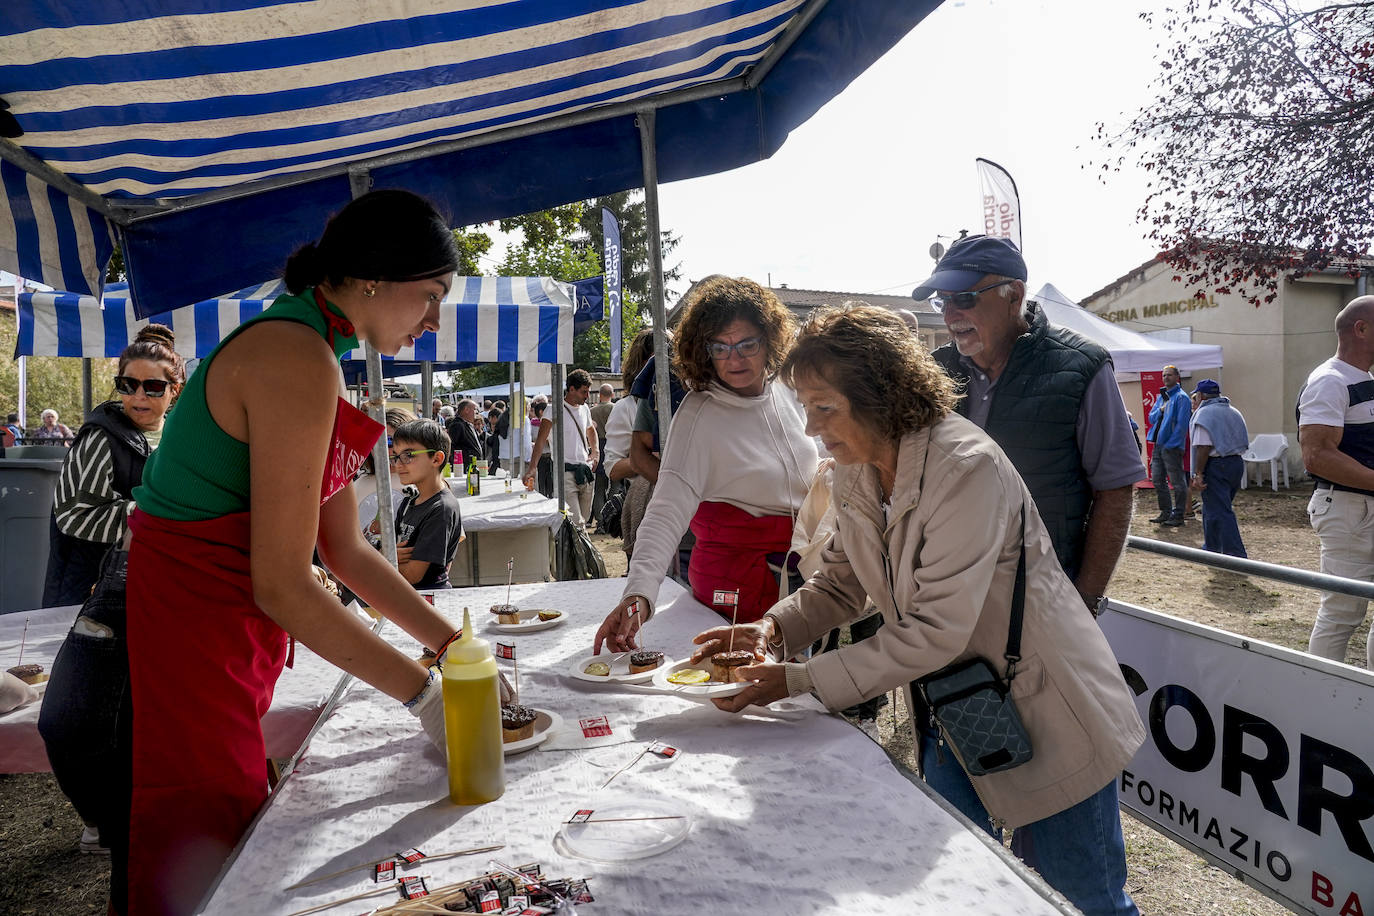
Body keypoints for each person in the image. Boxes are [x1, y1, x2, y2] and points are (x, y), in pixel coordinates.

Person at [42, 189, 508, 916]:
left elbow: (345, 549)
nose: (435, 319)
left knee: (218, 842)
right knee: (193, 852)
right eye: (432, 295)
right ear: (377, 277)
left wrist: (453, 647)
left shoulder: (310, 343)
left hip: (205, 631)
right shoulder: (296, 355)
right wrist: (423, 697)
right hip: (164, 635)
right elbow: (286, 585)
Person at [692, 305, 1144, 915]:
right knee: (968, 888)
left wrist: (799, 679)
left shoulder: (965, 466)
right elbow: (844, 582)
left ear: (879, 395)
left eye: (824, 407)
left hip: (1049, 706)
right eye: (805, 407)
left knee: (1083, 898)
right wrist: (775, 626)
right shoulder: (856, 469)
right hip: (956, 707)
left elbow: (934, 628)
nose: (810, 427)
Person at [915, 235, 1142, 613]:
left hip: (1041, 599)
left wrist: (1082, 602)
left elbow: (1116, 491)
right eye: (943, 301)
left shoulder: (1081, 366)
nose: (950, 315)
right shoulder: (933, 372)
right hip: (946, 593)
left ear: (1014, 295)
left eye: (964, 299)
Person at [594, 277, 818, 652]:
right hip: (737, 586)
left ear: (770, 340)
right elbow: (665, 510)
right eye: (721, 347)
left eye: (747, 343)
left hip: (798, 576)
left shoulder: (787, 391)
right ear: (704, 351)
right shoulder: (698, 413)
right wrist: (639, 595)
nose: (735, 357)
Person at [42, 325, 187, 608]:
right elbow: (75, 515)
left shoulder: (179, 438)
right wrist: (161, 515)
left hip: (150, 588)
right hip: (90, 596)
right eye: (128, 385)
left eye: (154, 387)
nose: (139, 396)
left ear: (175, 390)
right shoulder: (101, 437)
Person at [1298, 294, 1374, 668]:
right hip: (1348, 509)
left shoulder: (1364, 379)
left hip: (1360, 507)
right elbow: (1317, 455)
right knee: (1343, 612)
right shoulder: (1329, 380)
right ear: (1361, 329)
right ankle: (1320, 700)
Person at [389, 419, 462, 589]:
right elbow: (389, 547)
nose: (399, 464)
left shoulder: (442, 508)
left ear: (436, 459)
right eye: (396, 457)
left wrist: (384, 559)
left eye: (409, 455)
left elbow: (413, 574)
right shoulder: (409, 502)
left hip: (428, 601)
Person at [526, 369, 599, 528]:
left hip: (585, 471)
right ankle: (581, 553)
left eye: (588, 392)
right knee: (575, 522)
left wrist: (595, 452)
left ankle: (573, 551)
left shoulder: (585, 409)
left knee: (584, 520)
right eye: (583, 392)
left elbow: (591, 430)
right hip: (564, 474)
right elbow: (540, 442)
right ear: (571, 389)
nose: (587, 396)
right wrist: (532, 469)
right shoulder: (552, 409)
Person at [1188, 379, 1249, 557]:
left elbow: (1203, 446)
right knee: (1213, 507)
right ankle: (1212, 547)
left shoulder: (1204, 414)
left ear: (1201, 396)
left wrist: (1198, 473)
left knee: (1221, 510)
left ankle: (1236, 555)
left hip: (1216, 465)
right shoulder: (1233, 411)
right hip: (1236, 463)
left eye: (1195, 396)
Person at [1149, 364, 1192, 526]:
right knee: (1157, 479)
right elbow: (1151, 418)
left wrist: (1172, 444)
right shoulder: (1163, 396)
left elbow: (1182, 426)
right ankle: (1166, 512)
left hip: (1171, 447)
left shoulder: (1182, 398)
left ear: (1177, 377)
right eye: (1164, 375)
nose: (1166, 378)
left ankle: (1179, 515)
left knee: (1177, 481)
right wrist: (1160, 410)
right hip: (1158, 445)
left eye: (1169, 375)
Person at [589, 382, 616, 529]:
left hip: (598, 445)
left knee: (599, 486)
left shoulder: (592, 411)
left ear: (599, 395)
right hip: (613, 445)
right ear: (612, 394)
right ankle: (612, 515)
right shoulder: (615, 409)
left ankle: (600, 519)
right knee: (615, 484)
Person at [446, 398, 484, 472]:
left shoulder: (469, 425)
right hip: (464, 467)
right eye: (474, 409)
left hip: (473, 466)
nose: (476, 412)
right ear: (466, 410)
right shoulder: (457, 425)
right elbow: (452, 445)